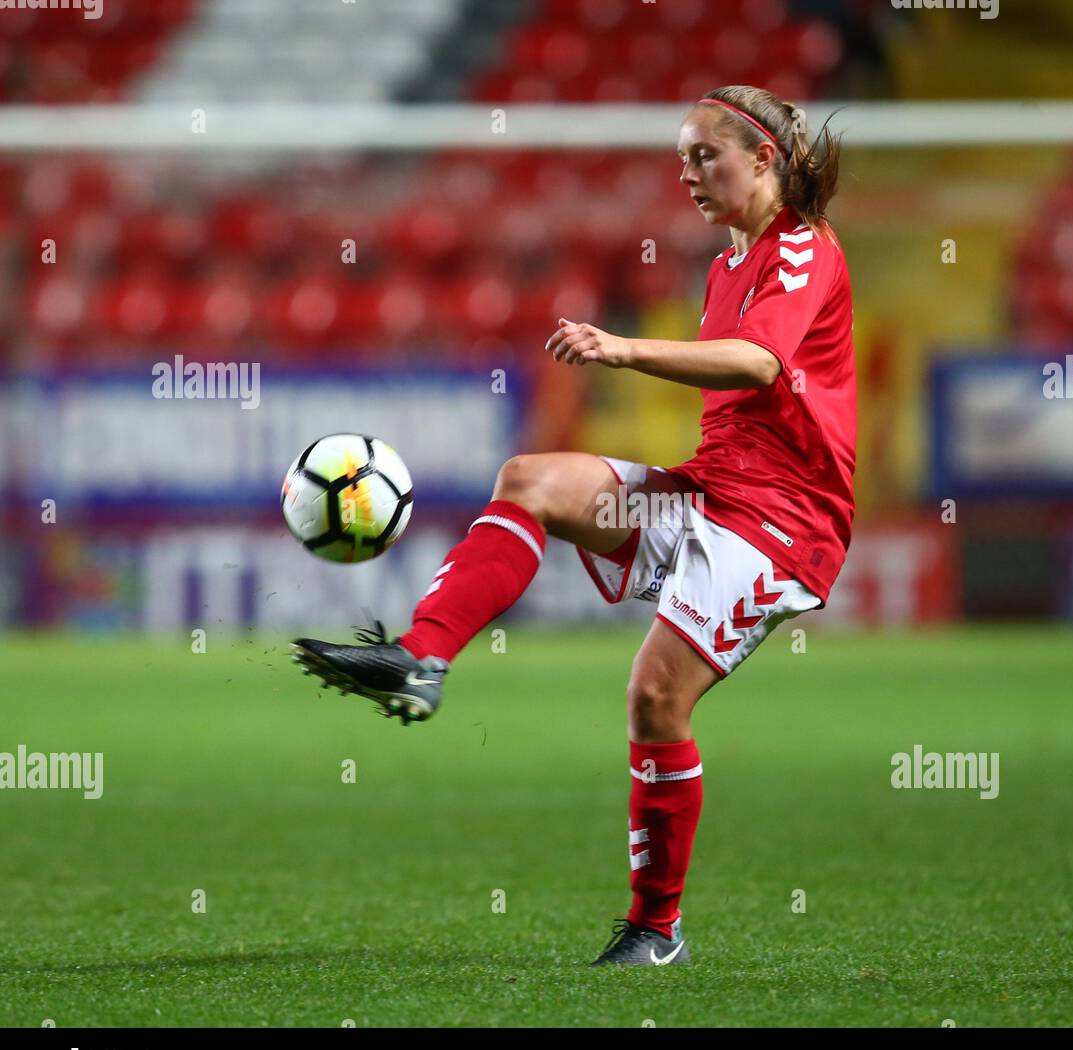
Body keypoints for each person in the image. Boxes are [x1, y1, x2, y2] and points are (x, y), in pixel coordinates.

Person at [292, 84, 856, 966]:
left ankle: (655, 931)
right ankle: (421, 659)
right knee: (533, 479)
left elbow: (756, 363)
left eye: (705, 157)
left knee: (654, 697)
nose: (689, 175)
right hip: (707, 497)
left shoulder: (802, 248)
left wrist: (624, 348)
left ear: (764, 159)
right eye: (680, 161)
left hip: (782, 523)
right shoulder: (724, 267)